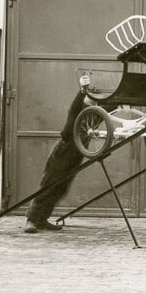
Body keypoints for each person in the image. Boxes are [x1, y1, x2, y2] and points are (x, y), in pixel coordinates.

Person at [24, 75, 93, 233]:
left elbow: (112, 106)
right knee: (49, 185)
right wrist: (82, 91)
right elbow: (75, 105)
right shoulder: (78, 109)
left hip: (77, 154)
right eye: (90, 99)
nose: (93, 102)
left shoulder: (96, 115)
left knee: (61, 188)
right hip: (64, 149)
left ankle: (42, 219)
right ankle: (31, 220)